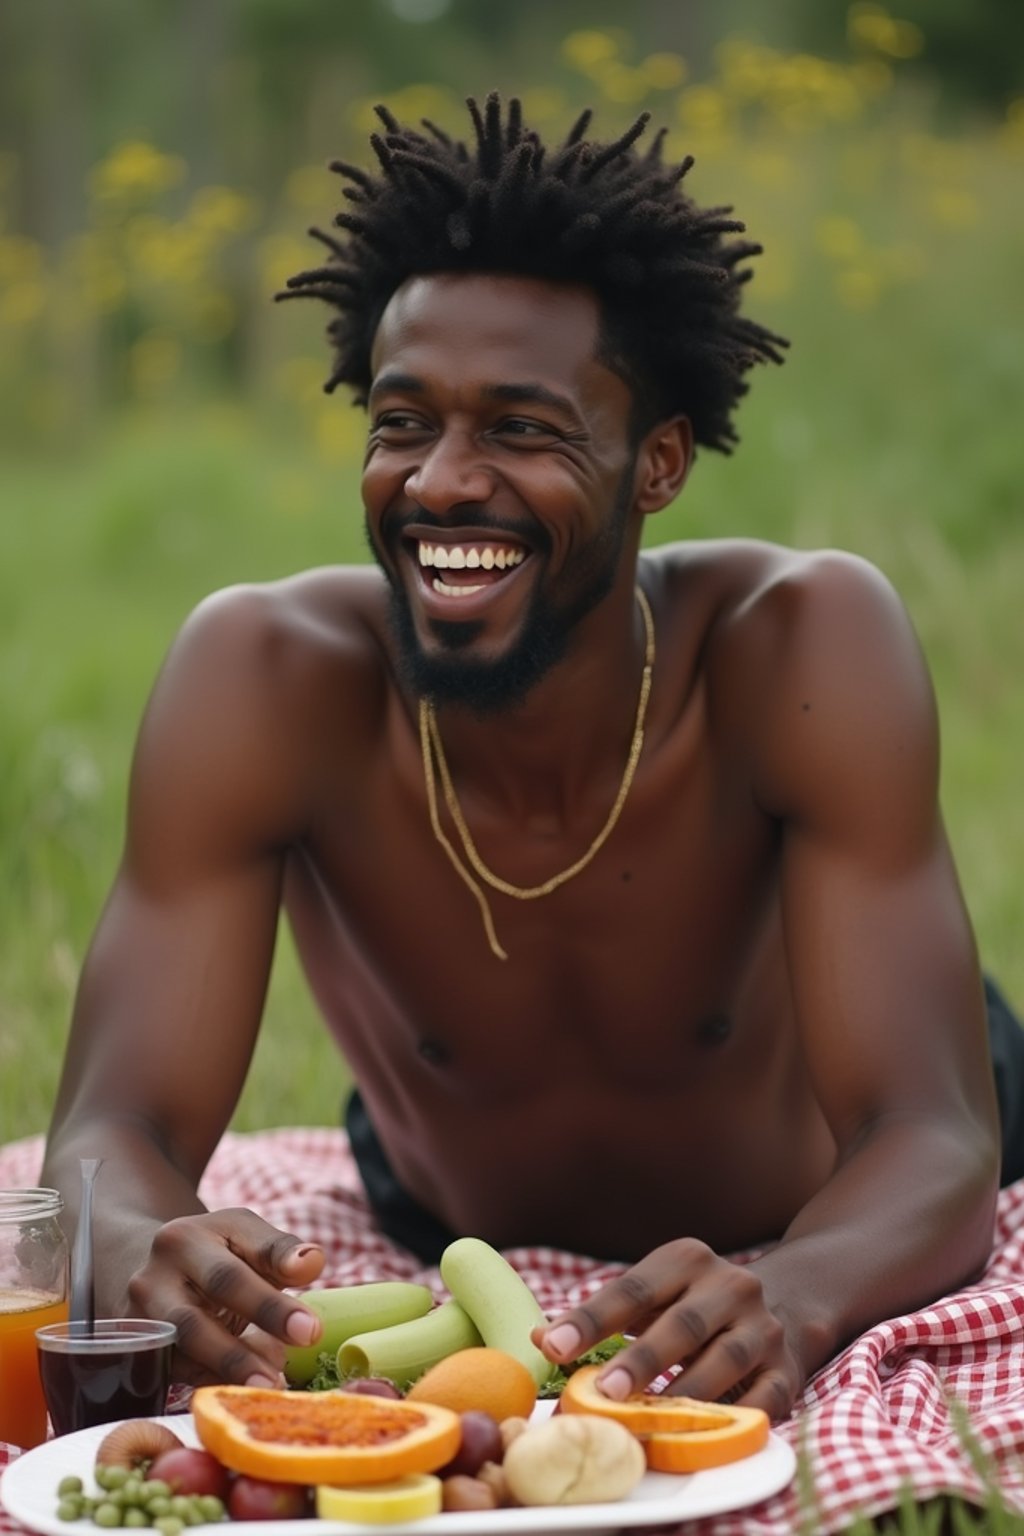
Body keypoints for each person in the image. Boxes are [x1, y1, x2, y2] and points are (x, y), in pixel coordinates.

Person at [43, 94, 1015, 1422]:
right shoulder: (264, 679)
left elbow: (938, 1134)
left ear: (656, 462)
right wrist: (157, 1254)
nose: (442, 481)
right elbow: (115, 1136)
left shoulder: (800, 649)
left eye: (520, 429)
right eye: (402, 423)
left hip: (820, 1199)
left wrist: (800, 1286)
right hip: (446, 1207)